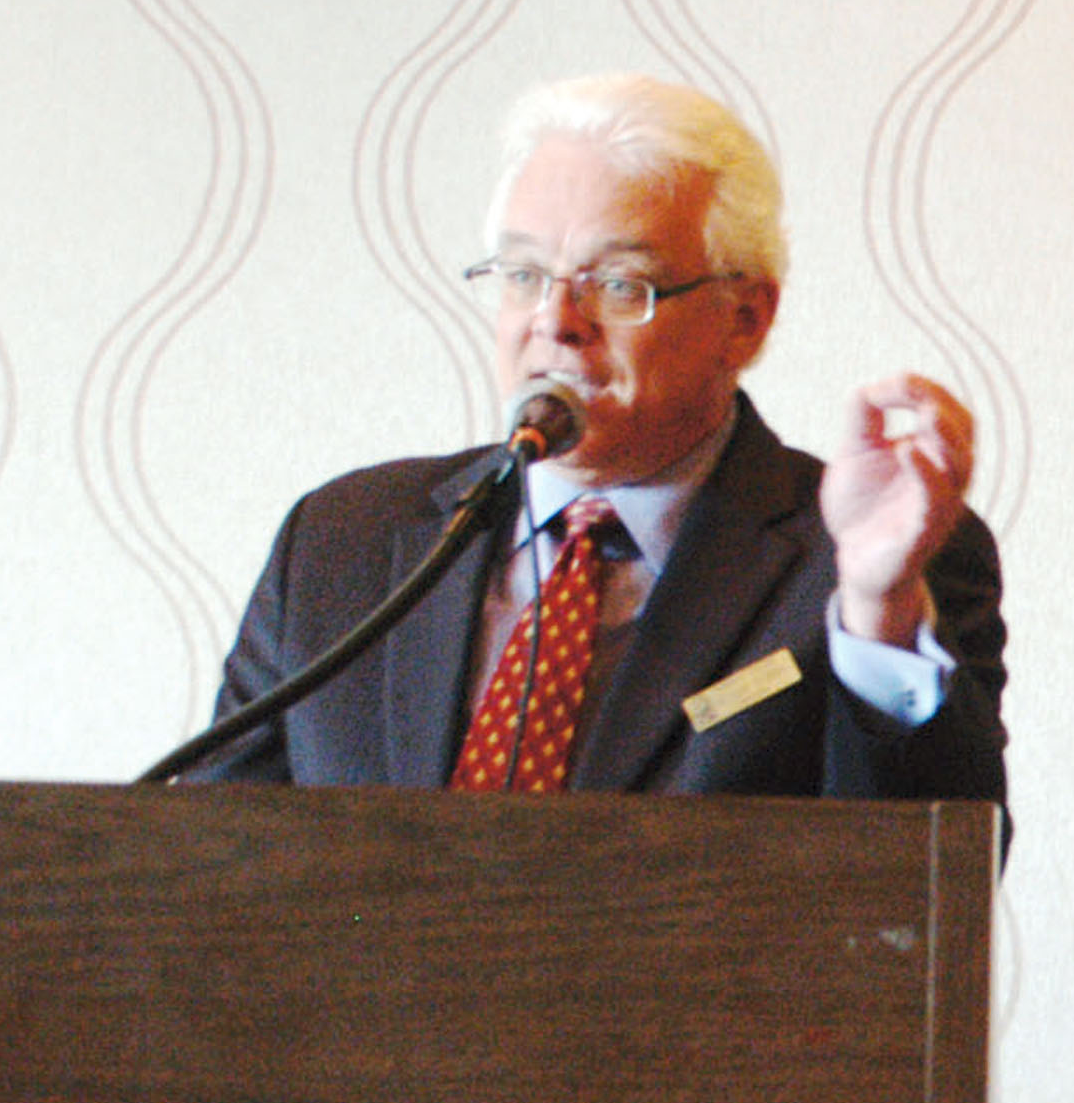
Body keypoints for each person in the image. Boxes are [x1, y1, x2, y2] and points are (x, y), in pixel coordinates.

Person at [193, 73, 1005, 807]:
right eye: (524, 275)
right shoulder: (340, 544)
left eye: (619, 284)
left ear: (745, 319)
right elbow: (209, 863)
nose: (554, 321)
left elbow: (929, 882)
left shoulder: (870, 562)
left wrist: (878, 609)